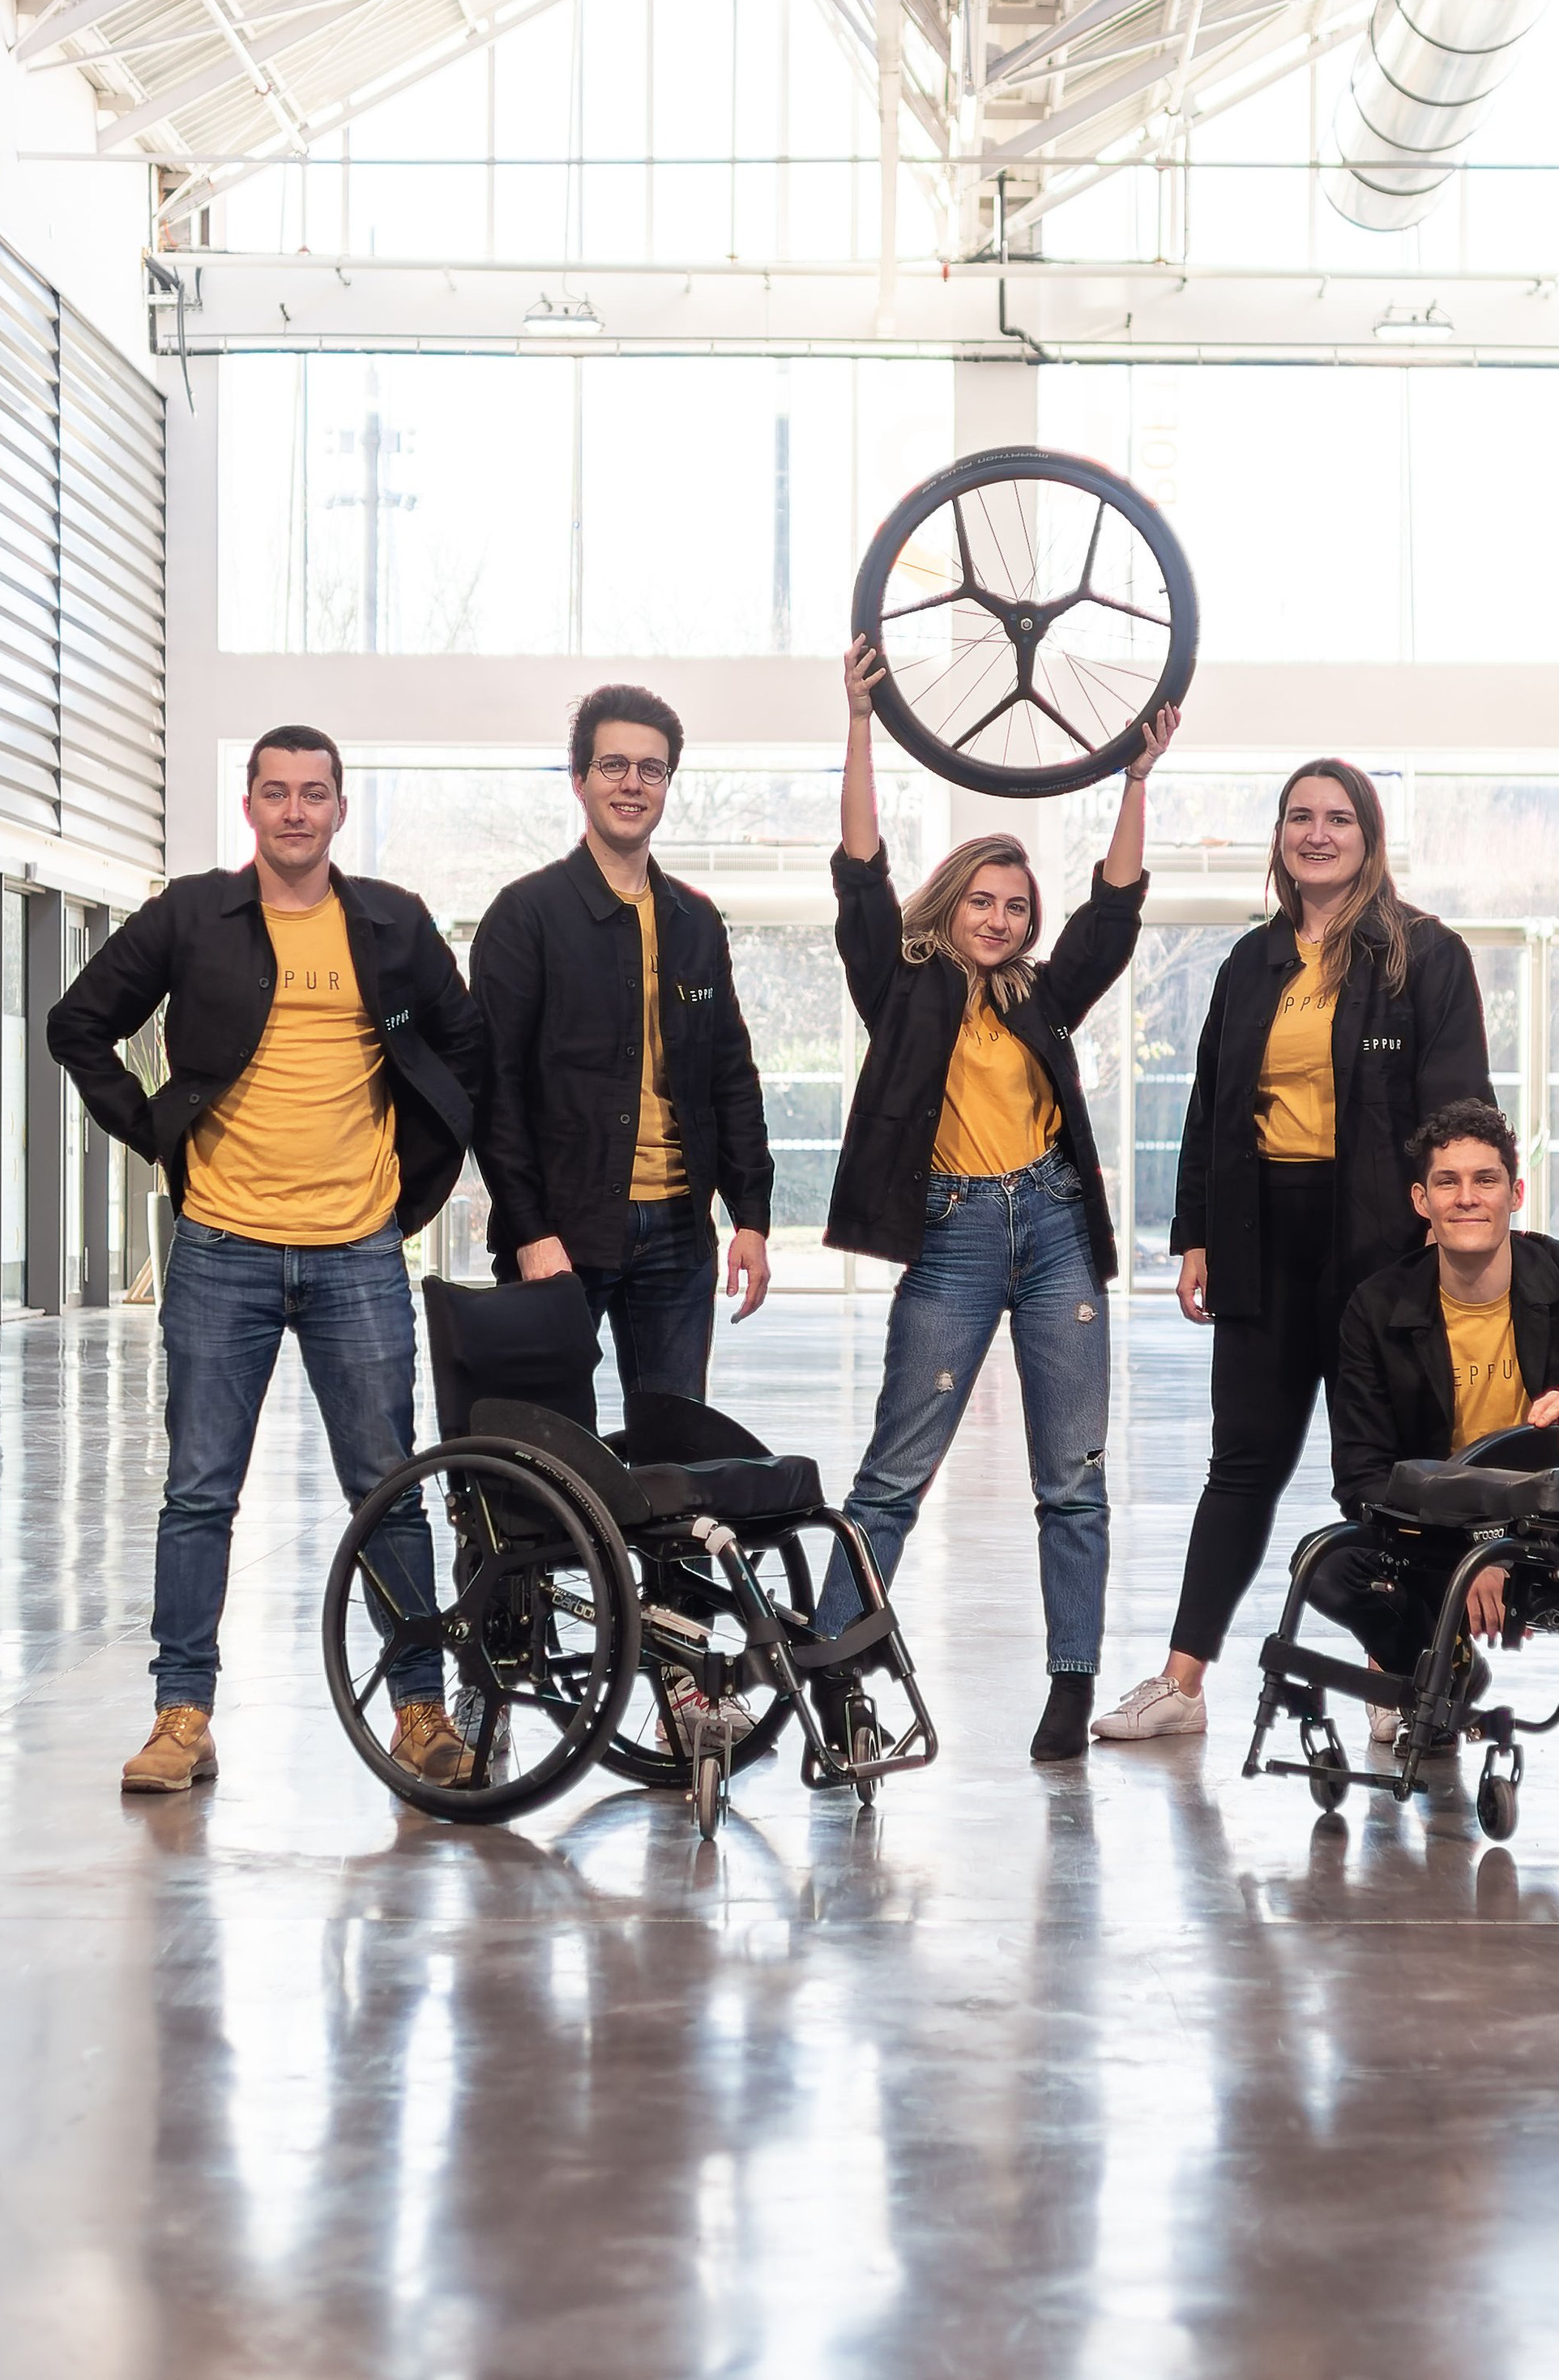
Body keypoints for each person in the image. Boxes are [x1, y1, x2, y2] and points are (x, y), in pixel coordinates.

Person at [48, 725, 485, 1793]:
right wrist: (159, 1133)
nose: (296, 812)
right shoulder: (194, 915)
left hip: (357, 1254)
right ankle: (180, 1717)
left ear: (340, 808)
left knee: (389, 1489)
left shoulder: (391, 923)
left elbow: (463, 1048)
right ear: (250, 805)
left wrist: (410, 1182)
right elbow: (79, 1023)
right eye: (277, 793)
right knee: (199, 1493)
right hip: (223, 1250)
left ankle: (420, 1713)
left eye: (316, 794)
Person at [811, 636, 1176, 1764]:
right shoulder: (903, 985)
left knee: (1071, 1481)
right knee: (891, 1478)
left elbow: (1111, 916)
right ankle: (835, 1674)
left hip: (1056, 1228)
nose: (1003, 918)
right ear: (952, 901)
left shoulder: (1042, 1000)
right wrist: (864, 725)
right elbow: (860, 872)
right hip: (956, 1237)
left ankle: (1069, 1688)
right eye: (985, 899)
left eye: (1018, 905)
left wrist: (1135, 784)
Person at [1093, 757, 1492, 1744]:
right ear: (1279, 836)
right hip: (1262, 1237)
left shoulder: (1422, 955)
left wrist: (1443, 1236)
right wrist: (1194, 1234)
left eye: (1338, 819)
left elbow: (1456, 1115)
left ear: (1370, 835)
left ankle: (1397, 1673)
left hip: (1380, 1245)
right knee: (1241, 1465)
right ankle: (1181, 1684)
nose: (1317, 834)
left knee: (1394, 1473)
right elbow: (1210, 1107)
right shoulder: (1249, 963)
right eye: (1299, 818)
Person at [468, 683, 773, 1404]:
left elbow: (730, 1075)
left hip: (678, 1231)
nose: (632, 783)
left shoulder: (696, 923)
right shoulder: (525, 916)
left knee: (675, 1457)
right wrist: (529, 1232)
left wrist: (751, 1217)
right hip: (564, 1232)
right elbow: (495, 1091)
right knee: (548, 1447)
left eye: (652, 768)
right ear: (579, 780)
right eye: (613, 766)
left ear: (668, 783)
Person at [1313, 1098, 1559, 1771]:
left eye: (1485, 1180)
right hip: (1439, 1531)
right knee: (1331, 1565)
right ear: (1420, 1200)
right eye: (1448, 1182)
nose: (1467, 1198)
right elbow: (1362, 1474)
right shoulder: (1374, 1308)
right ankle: (1442, 1666)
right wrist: (1474, 1544)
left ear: (1515, 1193)